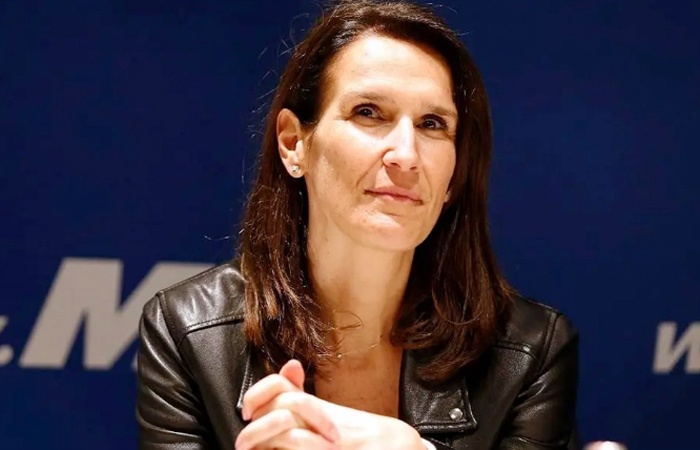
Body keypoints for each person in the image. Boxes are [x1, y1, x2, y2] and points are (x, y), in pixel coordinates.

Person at [136, 1, 579, 449]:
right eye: (369, 112)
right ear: (293, 144)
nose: (405, 155)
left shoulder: (530, 351)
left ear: (455, 173)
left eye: (432, 124)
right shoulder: (188, 330)